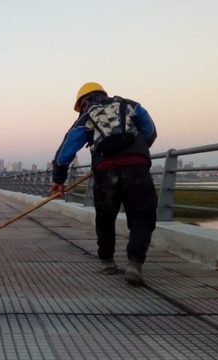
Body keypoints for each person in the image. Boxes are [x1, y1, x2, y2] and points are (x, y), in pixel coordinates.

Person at [51, 82, 158, 286]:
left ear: (82, 102)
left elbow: (66, 151)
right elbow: (150, 132)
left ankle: (107, 262)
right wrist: (133, 149)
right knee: (142, 217)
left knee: (105, 217)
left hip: (105, 170)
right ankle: (135, 264)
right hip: (137, 167)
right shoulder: (130, 105)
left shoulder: (86, 116)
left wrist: (59, 180)